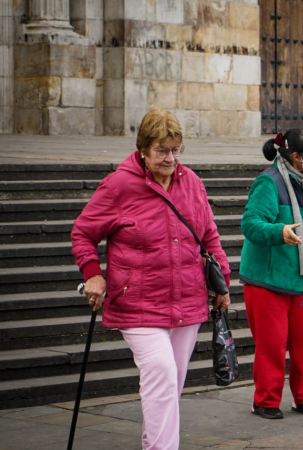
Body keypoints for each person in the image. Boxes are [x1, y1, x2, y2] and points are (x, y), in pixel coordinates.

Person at [71, 109, 231, 450]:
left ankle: (155, 443)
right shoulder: (118, 185)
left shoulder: (192, 182)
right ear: (143, 149)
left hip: (187, 298)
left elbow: (209, 235)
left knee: (171, 383)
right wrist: (93, 274)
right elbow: (83, 233)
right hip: (137, 301)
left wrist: (223, 284)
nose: (171, 158)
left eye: (176, 150)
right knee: (160, 374)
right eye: (162, 150)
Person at [240, 129, 303, 420]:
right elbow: (250, 224)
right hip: (269, 280)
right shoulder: (268, 182)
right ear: (296, 157)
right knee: (271, 345)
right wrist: (278, 232)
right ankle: (265, 401)